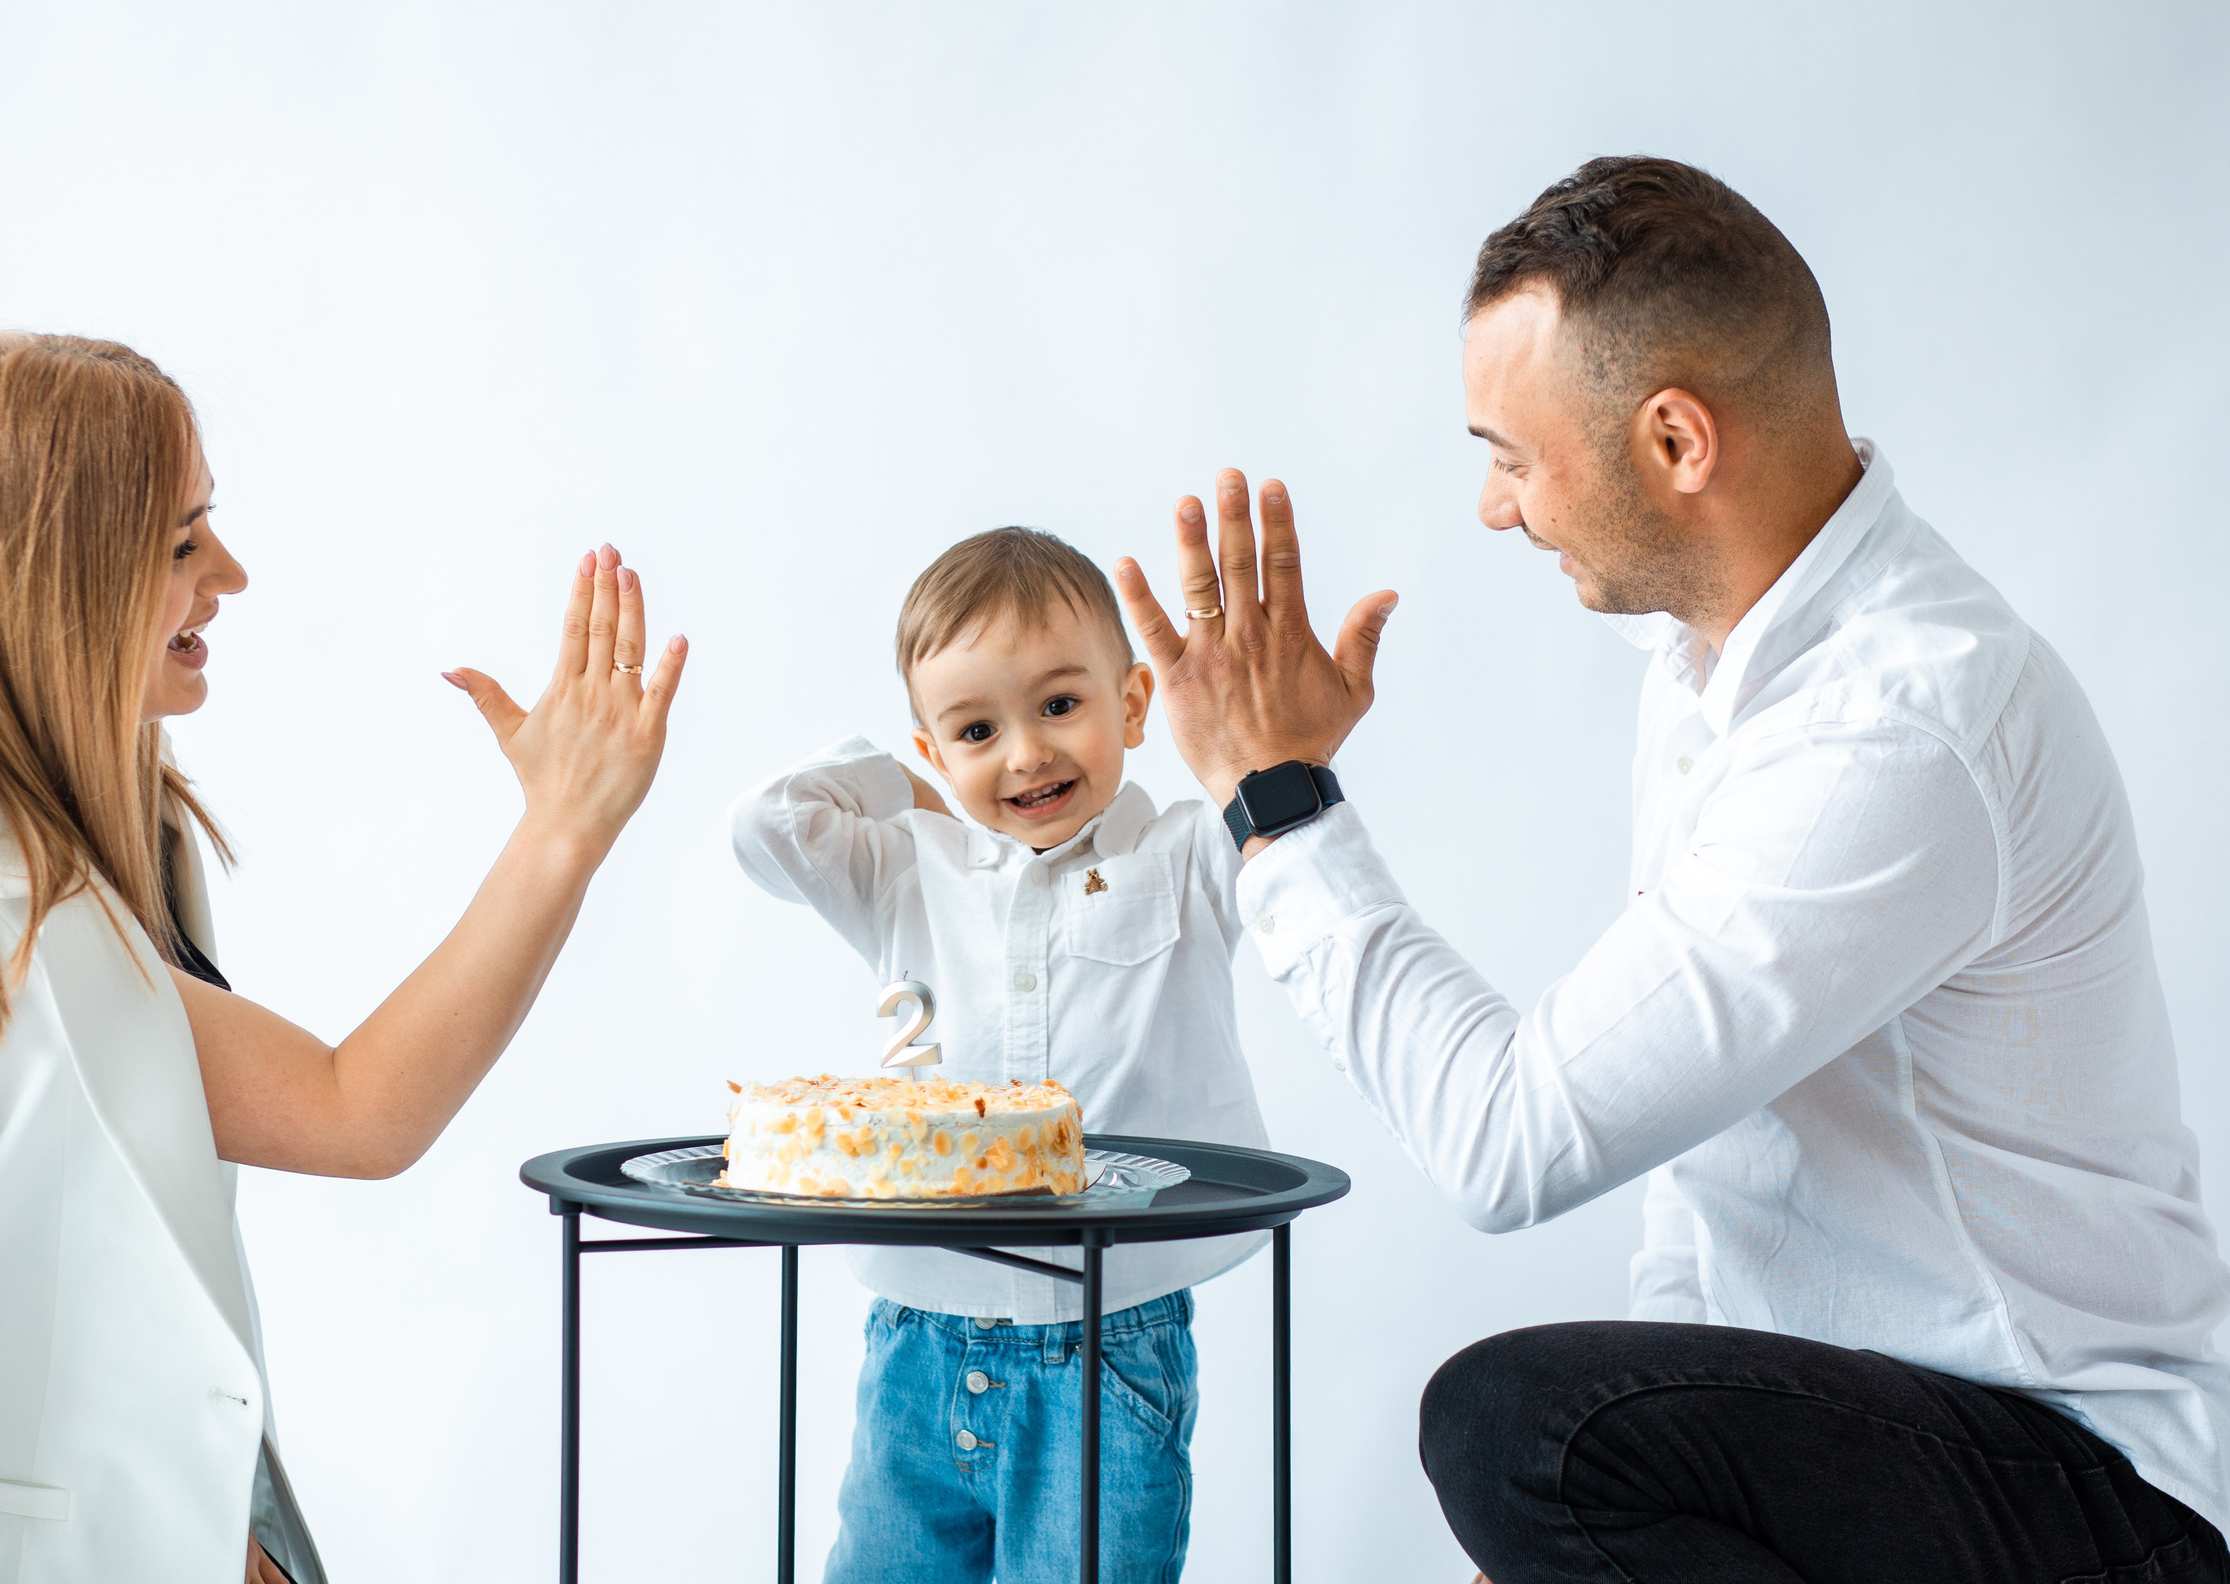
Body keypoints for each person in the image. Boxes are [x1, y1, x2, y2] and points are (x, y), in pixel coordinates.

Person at [1111, 157, 2230, 1583]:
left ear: (1677, 441)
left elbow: (1507, 1142)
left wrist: (1278, 803)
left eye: (1512, 456)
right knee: (1557, 1443)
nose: (1493, 509)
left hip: (2090, 1491)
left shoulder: (1898, 730)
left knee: (1515, 1423)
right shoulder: (1713, 661)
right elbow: (1711, 1193)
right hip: (1876, 1453)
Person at [0, 332, 686, 1583]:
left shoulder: (106, 854)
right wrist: (560, 835)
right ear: (44, 573)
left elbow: (349, 1114)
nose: (233, 575)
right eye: (181, 543)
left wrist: (563, 835)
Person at [729, 527, 1271, 1584]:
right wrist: (902, 782)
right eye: (977, 728)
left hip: (1107, 1344)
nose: (1025, 754)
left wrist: (1252, 732)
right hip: (918, 1338)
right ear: (933, 752)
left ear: (1132, 705)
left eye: (1059, 706)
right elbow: (766, 826)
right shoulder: (905, 868)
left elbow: (1283, 827)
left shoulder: (1185, 856)